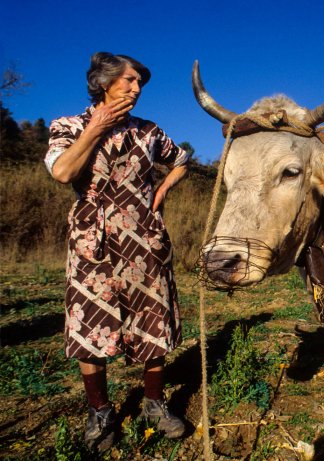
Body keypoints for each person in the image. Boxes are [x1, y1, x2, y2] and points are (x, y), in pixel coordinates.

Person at [45, 52, 190, 452]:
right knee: (90, 325)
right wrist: (95, 129)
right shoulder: (69, 126)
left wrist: (161, 192)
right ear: (103, 83)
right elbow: (62, 172)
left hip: (144, 240)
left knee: (153, 321)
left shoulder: (149, 132)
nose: (136, 88)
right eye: (129, 80)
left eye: (140, 82)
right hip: (93, 243)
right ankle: (101, 411)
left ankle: (155, 404)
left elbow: (181, 160)